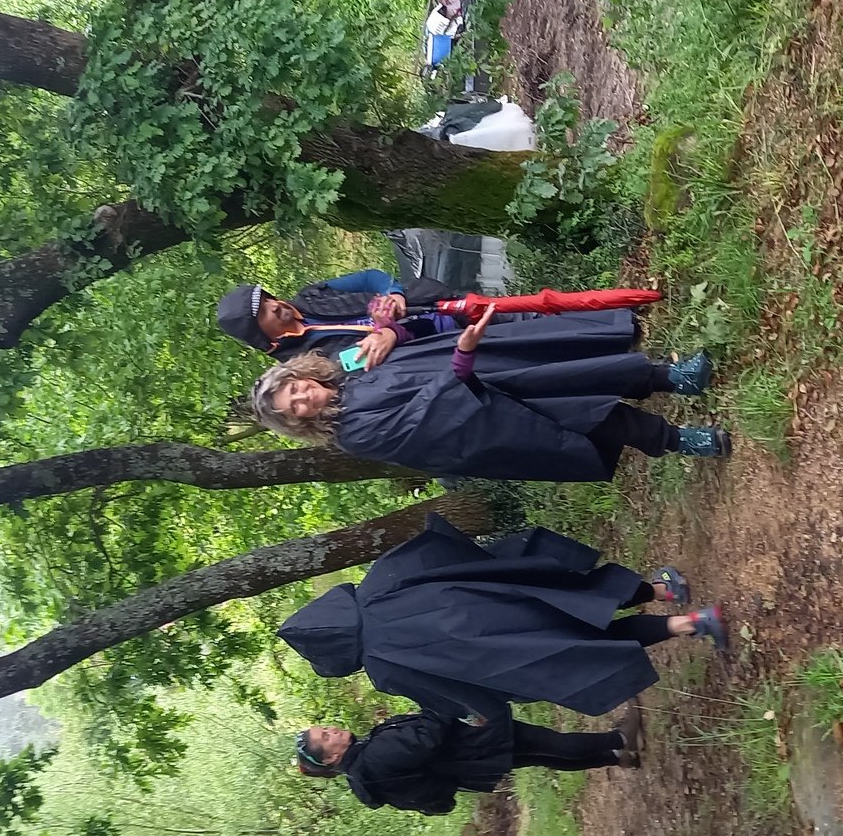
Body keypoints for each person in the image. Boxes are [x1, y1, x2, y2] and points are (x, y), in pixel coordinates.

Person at [277, 513, 726, 722]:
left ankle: (692, 622)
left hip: (511, 652)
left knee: (595, 645)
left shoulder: (383, 669)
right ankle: (664, 590)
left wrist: (494, 706)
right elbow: (438, 549)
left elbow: (450, 693)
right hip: (509, 595)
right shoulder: (378, 582)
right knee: (584, 597)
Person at [251, 304, 731, 481]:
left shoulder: (345, 367)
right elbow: (423, 420)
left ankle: (674, 377)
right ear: (297, 421)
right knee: (594, 416)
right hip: (492, 418)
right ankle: (679, 440)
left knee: (585, 372)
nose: (302, 397)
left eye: (294, 388)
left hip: (497, 366)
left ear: (299, 375)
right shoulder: (352, 433)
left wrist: (393, 332)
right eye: (294, 406)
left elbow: (412, 339)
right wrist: (461, 360)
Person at [294, 707, 639, 815]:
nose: (332, 730)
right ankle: (621, 740)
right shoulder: (374, 757)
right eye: (326, 737)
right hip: (479, 745)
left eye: (325, 728)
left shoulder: (364, 772)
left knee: (544, 756)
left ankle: (615, 757)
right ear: (332, 758)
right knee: (552, 744)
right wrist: (433, 701)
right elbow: (429, 736)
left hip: (476, 763)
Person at [215, 270, 533, 365]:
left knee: (526, 314)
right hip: (441, 351)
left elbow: (371, 278)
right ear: (262, 335)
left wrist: (394, 294)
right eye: (263, 311)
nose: (274, 305)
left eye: (268, 298)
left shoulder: (311, 296)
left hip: (440, 307)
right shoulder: (301, 365)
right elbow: (361, 370)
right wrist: (388, 332)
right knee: (526, 346)